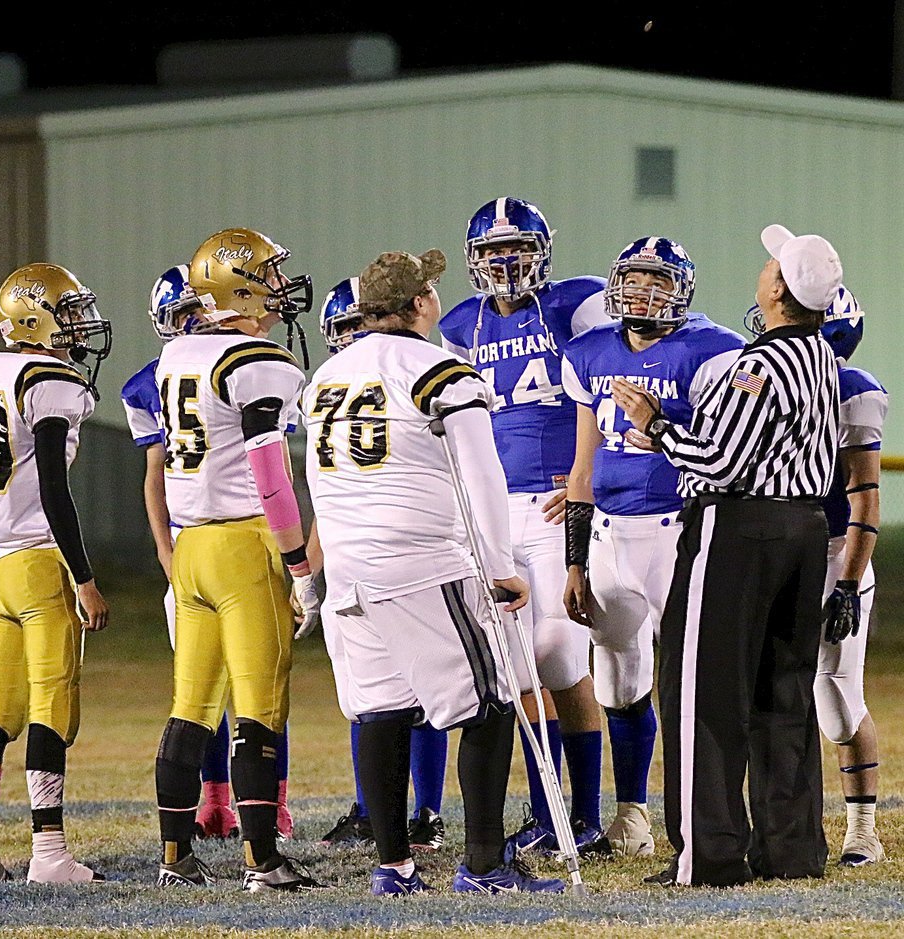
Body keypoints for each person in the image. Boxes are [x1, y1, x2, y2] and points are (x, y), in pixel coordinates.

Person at [306, 248, 563, 896]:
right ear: (422, 303)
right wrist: (502, 567)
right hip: (418, 560)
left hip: (349, 568)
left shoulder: (325, 377)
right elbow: (483, 472)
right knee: (490, 704)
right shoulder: (441, 369)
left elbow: (313, 475)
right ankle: (483, 864)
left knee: (381, 711)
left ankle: (393, 866)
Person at [612, 224, 841, 887]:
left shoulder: (759, 364)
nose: (764, 268)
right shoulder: (823, 358)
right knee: (784, 693)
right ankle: (792, 848)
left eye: (772, 263)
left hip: (743, 529)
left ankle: (706, 854)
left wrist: (656, 425)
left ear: (778, 288)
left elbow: (720, 461)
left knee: (703, 694)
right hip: (804, 528)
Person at [559, 238, 745, 856]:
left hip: (680, 532)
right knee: (616, 680)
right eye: (635, 281)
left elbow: (727, 450)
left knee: (694, 680)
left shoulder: (712, 351)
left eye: (658, 283)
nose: (644, 294)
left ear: (682, 291)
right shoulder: (590, 352)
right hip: (610, 533)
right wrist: (575, 559)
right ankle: (633, 815)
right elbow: (581, 469)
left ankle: (707, 815)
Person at [439, 197, 610, 853]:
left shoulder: (578, 302)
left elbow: (599, 388)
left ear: (543, 249)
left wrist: (582, 479)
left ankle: (589, 813)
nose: (505, 261)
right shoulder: (461, 324)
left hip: (554, 502)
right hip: (494, 511)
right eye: (491, 251)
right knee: (517, 667)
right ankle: (549, 816)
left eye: (517, 247)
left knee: (560, 654)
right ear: (473, 259)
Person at [153, 228, 321, 892]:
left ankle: (174, 855)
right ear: (240, 287)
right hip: (243, 542)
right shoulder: (259, 362)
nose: (281, 286)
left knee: (190, 704)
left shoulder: (178, 356)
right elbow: (271, 477)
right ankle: (261, 859)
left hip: (189, 544)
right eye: (269, 274)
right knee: (259, 703)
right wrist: (300, 565)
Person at [0, 262, 111, 884]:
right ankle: (48, 854)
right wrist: (85, 575)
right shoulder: (48, 380)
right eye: (68, 314)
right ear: (35, 319)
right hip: (41, 561)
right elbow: (52, 487)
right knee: (51, 705)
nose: (78, 328)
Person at [747, 284, 887, 866]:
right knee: (763, 689)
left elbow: (864, 503)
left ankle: (862, 828)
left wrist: (850, 583)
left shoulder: (852, 391)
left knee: (833, 695)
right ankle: (764, 820)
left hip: (832, 552)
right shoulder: (759, 375)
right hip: (775, 548)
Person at [312, 277, 448, 853]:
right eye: (339, 332)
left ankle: (426, 815)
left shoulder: (331, 383)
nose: (348, 341)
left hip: (383, 554)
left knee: (423, 694)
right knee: (381, 697)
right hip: (386, 551)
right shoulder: (414, 369)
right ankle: (384, 818)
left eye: (353, 328)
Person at [122, 266, 240, 841]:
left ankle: (273, 803)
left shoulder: (242, 361)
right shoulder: (148, 384)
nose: (191, 324)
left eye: (198, 310)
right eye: (180, 315)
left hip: (239, 538)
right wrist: (165, 552)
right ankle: (212, 799)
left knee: (256, 689)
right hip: (194, 544)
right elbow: (154, 476)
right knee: (201, 691)